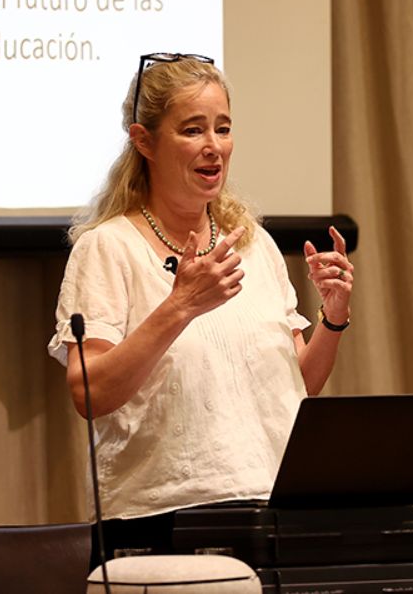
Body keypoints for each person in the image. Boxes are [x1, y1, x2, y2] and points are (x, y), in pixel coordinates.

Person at [47, 53, 353, 554]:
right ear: (144, 141)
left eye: (223, 128)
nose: (214, 146)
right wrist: (180, 306)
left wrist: (333, 318)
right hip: (159, 522)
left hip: (270, 508)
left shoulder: (254, 244)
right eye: (193, 130)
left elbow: (298, 384)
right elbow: (90, 393)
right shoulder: (107, 248)